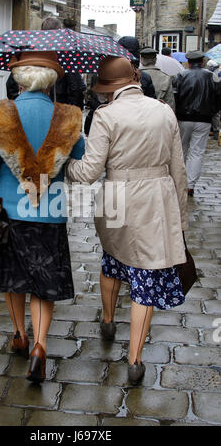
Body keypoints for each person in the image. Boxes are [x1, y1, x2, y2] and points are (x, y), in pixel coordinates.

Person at [66, 56, 188, 385]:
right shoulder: (164, 111)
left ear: (108, 89)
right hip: (156, 201)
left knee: (113, 260)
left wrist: (67, 167)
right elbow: (179, 170)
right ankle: (135, 360)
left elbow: (89, 171)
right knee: (146, 278)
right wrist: (181, 219)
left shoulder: (105, 116)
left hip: (116, 201)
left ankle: (108, 320)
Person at [0, 51, 85, 383]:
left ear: (19, 78)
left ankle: (20, 335)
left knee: (14, 278)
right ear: (52, 79)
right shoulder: (68, 116)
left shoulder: (0, 114)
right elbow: (77, 157)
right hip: (49, 214)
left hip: (8, 214)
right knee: (43, 284)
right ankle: (40, 346)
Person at [6, 16, 86, 109]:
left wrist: (22, 106)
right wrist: (69, 114)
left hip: (32, 108)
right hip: (58, 111)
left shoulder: (31, 53)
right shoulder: (65, 55)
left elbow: (11, 86)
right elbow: (76, 89)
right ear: (60, 31)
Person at [173, 50, 221, 196]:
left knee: (182, 150)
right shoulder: (212, 76)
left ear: (189, 62)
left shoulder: (181, 75)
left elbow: (175, 96)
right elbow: (218, 97)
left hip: (184, 118)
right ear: (202, 62)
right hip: (204, 119)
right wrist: (212, 111)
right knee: (197, 152)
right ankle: (190, 184)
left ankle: (179, 182)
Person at [207, 59, 221, 141]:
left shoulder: (213, 74)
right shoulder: (214, 73)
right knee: (216, 116)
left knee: (215, 116)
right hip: (216, 98)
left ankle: (215, 133)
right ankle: (215, 132)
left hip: (214, 98)